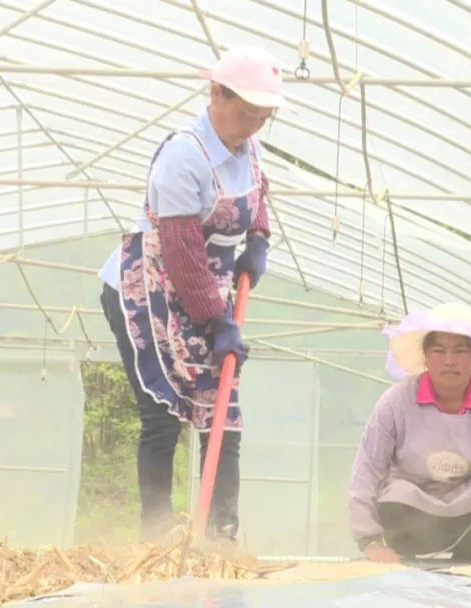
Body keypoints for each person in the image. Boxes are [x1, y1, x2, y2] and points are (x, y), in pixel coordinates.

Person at [97, 45, 285, 542]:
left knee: (222, 413)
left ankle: (221, 536)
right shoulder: (183, 155)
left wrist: (259, 240)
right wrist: (217, 320)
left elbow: (257, 193)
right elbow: (181, 252)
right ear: (215, 94)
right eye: (245, 113)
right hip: (150, 288)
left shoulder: (249, 147)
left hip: (207, 287)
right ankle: (156, 538)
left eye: (263, 117)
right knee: (162, 413)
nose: (252, 126)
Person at [348, 303, 471, 565]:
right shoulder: (395, 402)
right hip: (409, 518)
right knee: (395, 489)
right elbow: (366, 470)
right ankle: (404, 557)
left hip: (470, 522)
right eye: (439, 351)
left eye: (460, 351)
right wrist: (370, 541)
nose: (449, 360)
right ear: (426, 357)